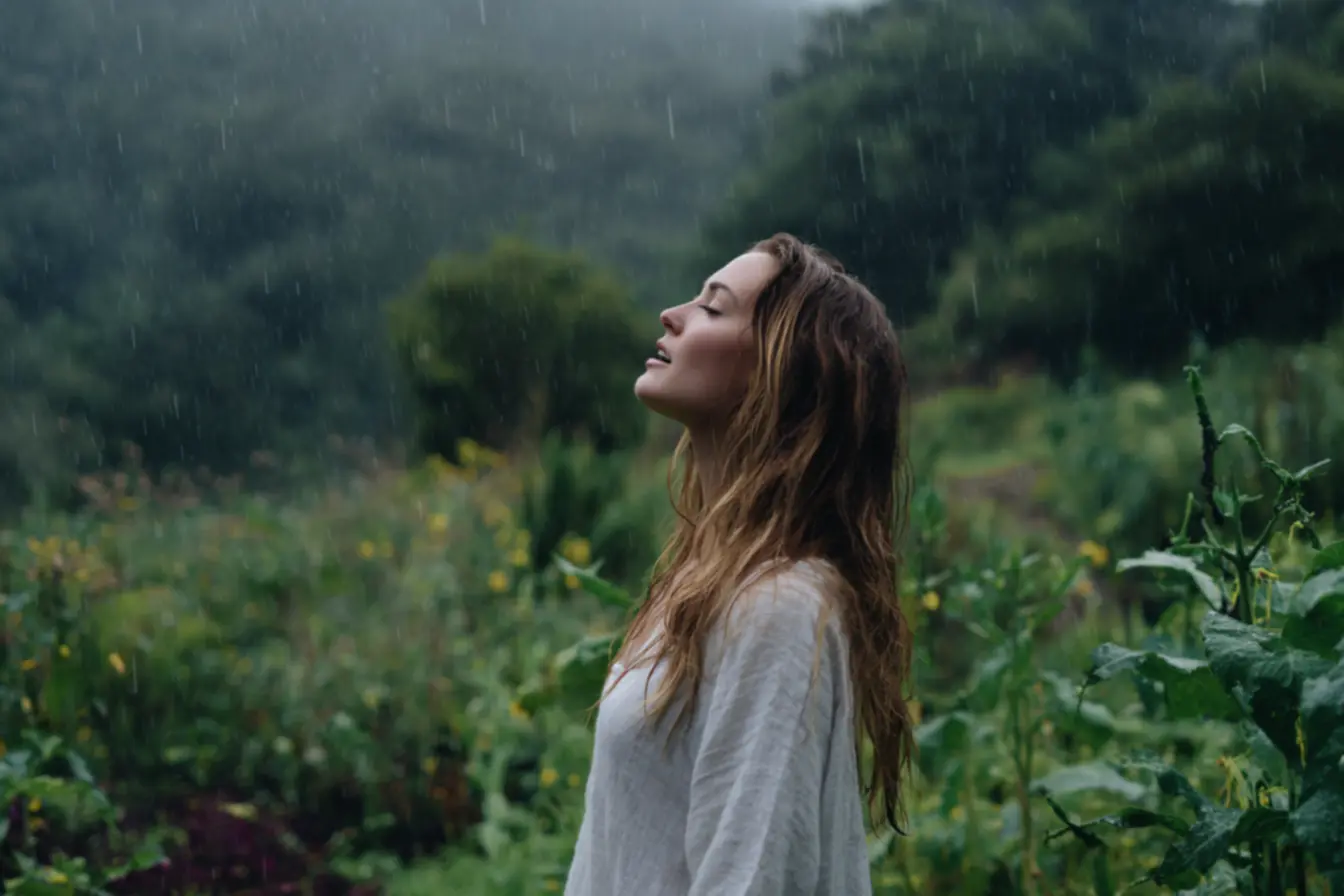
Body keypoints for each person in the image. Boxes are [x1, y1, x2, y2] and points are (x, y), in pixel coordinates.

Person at [563, 233, 916, 896]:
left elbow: (752, 875)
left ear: (780, 371)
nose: (672, 315)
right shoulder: (709, 583)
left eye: (712, 308)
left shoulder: (779, 606)